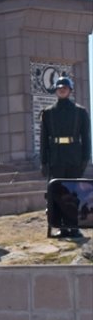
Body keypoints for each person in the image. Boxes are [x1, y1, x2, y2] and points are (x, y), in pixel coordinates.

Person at [40, 76, 91, 237]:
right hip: (56, 157)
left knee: (74, 192)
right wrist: (43, 161)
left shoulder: (80, 112)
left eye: (65, 87)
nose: (62, 90)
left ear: (70, 90)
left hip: (74, 156)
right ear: (56, 90)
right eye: (59, 87)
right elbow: (43, 139)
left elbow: (86, 137)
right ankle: (62, 227)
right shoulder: (48, 113)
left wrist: (85, 159)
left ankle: (74, 227)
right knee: (59, 193)